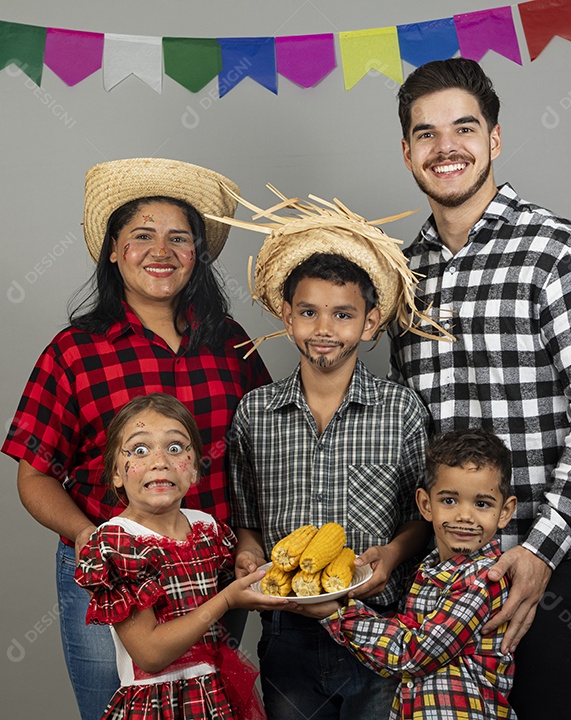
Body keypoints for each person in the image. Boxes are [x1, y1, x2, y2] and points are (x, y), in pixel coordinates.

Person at [389, 58, 571, 720]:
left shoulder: (562, 252)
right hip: (441, 569)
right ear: (407, 151)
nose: (447, 148)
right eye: (426, 134)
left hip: (545, 558)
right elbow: (405, 423)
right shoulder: (399, 277)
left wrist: (541, 551)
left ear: (495, 139)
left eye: (464, 128)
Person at [1, 158, 271, 720]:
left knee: (208, 705)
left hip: (213, 569)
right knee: (115, 708)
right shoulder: (74, 351)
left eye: (179, 238)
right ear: (113, 250)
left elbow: (254, 458)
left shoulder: (231, 343)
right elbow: (34, 474)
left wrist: (247, 539)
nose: (161, 251)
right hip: (114, 570)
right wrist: (86, 537)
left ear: (198, 254)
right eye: (142, 236)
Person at [212, 188, 448, 720]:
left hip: (379, 626)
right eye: (309, 312)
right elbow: (247, 517)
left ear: (369, 324)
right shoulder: (255, 414)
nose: (324, 330)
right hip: (288, 632)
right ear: (287, 317)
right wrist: (248, 555)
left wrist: (390, 556)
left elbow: (419, 516)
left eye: (343, 315)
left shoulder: (401, 409)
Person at [75, 393, 287, 720]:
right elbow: (150, 654)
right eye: (140, 450)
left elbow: (230, 595)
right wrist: (227, 600)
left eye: (175, 448)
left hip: (216, 698)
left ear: (193, 472)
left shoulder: (207, 528)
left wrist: (246, 571)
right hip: (156, 704)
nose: (160, 461)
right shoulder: (115, 544)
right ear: (116, 472)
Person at [300, 427, 519, 720]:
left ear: (504, 512)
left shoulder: (482, 580)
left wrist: (340, 615)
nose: (464, 516)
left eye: (481, 504)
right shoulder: (428, 569)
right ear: (426, 505)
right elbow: (397, 648)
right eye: (449, 501)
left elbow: (413, 654)